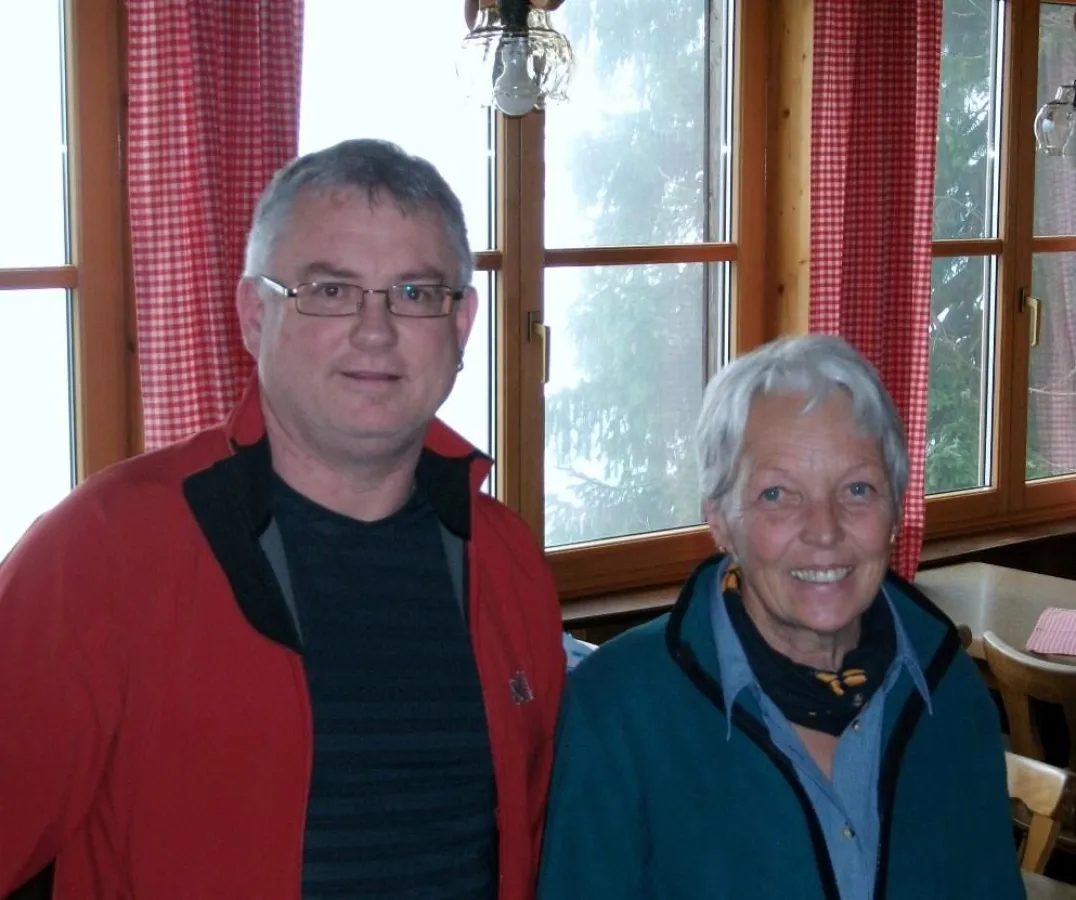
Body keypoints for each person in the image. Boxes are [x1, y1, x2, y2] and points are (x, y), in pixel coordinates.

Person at [0, 139, 565, 900]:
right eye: (330, 292)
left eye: (414, 293)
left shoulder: (504, 557)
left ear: (461, 324)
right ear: (253, 315)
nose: (375, 330)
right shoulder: (104, 549)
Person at [537, 335, 1024, 900]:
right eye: (776, 494)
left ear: (896, 505)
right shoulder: (618, 708)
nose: (824, 529)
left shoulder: (951, 692)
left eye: (858, 489)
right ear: (719, 520)